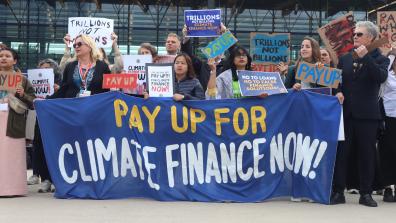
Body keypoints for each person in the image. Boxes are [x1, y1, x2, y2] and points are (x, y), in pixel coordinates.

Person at [331, 21, 390, 207]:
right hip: (346, 113)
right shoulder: (345, 58)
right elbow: (338, 80)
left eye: (359, 34)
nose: (354, 37)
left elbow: (381, 77)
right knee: (342, 154)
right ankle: (338, 192)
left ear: (370, 38)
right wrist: (338, 91)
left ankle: (366, 194)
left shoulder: (381, 59)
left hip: (368, 116)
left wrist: (367, 58)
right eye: (354, 34)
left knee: (367, 155)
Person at [0, 47, 35, 197]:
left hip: (13, 121)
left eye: (7, 56)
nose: (3, 58)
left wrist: (23, 94)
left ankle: (13, 189)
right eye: (1, 55)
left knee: (12, 155)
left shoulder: (22, 80)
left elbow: (33, 102)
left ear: (14, 61)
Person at [31, 59, 62, 193]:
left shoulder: (61, 82)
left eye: (47, 68)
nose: (43, 71)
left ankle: (56, 179)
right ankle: (45, 179)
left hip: (55, 117)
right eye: (41, 68)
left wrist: (58, 90)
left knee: (54, 146)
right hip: (39, 116)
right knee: (39, 145)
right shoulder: (33, 81)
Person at [50, 34, 110, 99]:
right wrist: (45, 100)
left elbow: (108, 90)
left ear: (89, 46)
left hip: (96, 106)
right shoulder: (70, 66)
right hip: (74, 106)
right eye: (74, 45)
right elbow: (63, 90)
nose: (76, 47)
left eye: (79, 44)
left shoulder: (103, 66)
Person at [378, 48, 396, 202]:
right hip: (388, 117)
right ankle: (388, 187)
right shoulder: (387, 73)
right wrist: (390, 52)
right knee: (388, 152)